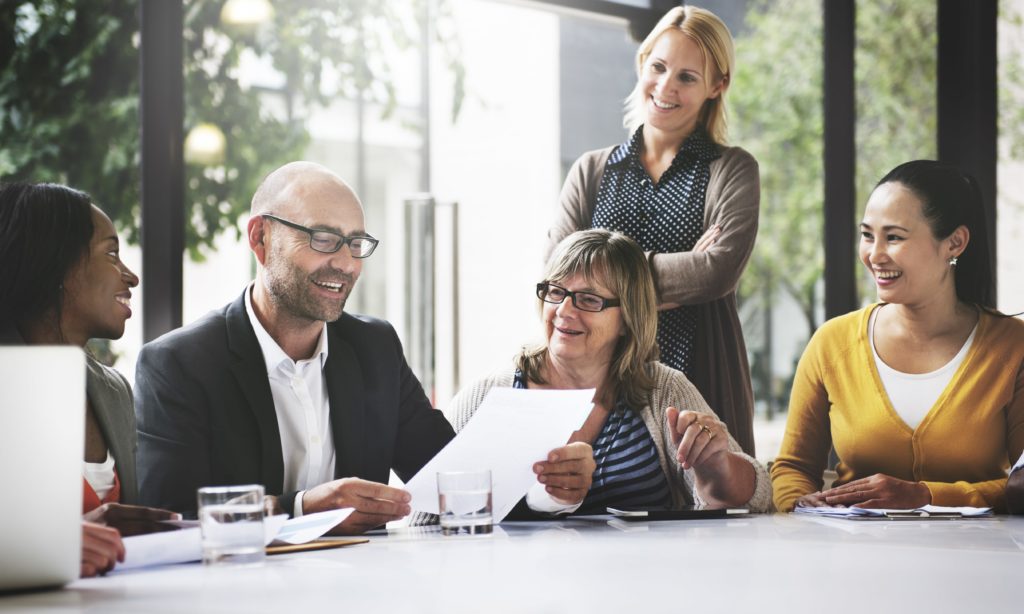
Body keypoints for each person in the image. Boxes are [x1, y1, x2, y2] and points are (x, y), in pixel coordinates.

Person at [134, 161, 459, 535]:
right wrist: (300, 508)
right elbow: (170, 518)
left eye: (356, 243)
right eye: (322, 238)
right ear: (260, 238)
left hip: (366, 586)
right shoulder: (179, 365)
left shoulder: (375, 348)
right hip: (239, 589)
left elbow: (450, 474)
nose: (347, 264)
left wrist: (540, 488)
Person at [547, 5, 759, 455]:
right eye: (659, 67)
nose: (665, 87)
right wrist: (672, 282)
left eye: (687, 77)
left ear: (717, 85)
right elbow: (559, 272)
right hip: (599, 376)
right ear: (643, 63)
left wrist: (607, 292)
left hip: (700, 368)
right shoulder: (591, 170)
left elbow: (716, 272)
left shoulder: (732, 169)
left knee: (707, 505)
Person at [449, 229, 771, 515]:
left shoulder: (663, 388)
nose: (563, 311)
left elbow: (760, 497)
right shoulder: (491, 392)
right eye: (556, 292)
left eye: (588, 300)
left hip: (642, 579)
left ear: (628, 317)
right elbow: (430, 512)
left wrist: (716, 467)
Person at [771, 161, 1024, 513]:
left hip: (979, 558)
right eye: (867, 235)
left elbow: (1021, 485)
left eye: (894, 237)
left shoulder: (1013, 347)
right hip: (851, 558)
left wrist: (926, 496)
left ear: (955, 242)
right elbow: (792, 467)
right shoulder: (832, 342)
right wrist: (800, 505)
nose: (874, 255)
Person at [0, 182, 179, 577]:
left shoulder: (114, 391)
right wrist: (49, 544)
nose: (130, 276)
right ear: (55, 265)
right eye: (112, 254)